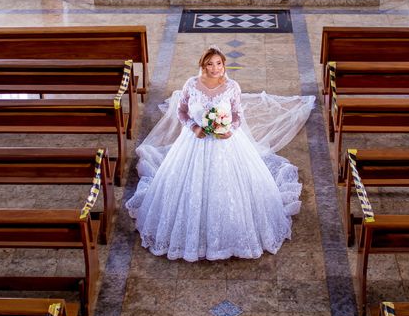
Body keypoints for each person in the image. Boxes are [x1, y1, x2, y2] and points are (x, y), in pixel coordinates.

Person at [126, 46, 315, 262]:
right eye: (210, 64)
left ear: (224, 64)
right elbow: (181, 111)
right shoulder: (191, 85)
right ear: (203, 65)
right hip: (194, 143)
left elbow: (237, 115)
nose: (215, 68)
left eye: (219, 63)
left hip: (226, 144)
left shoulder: (232, 87)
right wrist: (193, 127)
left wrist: (229, 130)